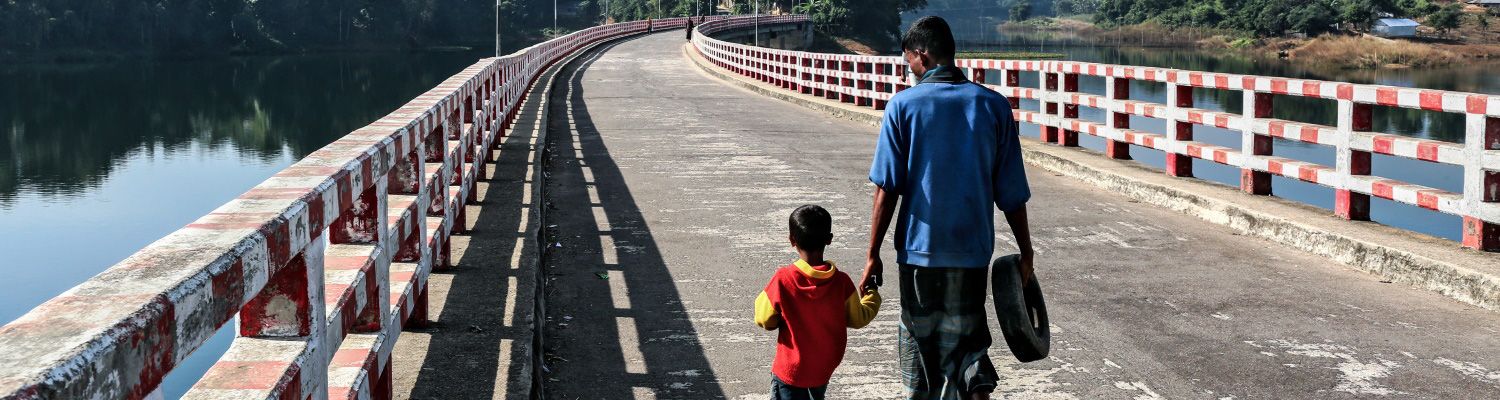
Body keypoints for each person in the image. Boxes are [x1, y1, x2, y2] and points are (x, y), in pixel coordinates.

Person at [860, 16, 1036, 400]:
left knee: (920, 343)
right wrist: (1026, 251)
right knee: (968, 340)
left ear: (921, 54)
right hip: (971, 253)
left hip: (918, 252)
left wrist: (872, 255)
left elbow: (886, 190)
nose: (910, 71)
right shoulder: (993, 105)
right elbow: (1011, 193)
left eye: (909, 61)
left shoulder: (902, 106)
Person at [755, 204, 882, 400]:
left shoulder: (783, 279)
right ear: (829, 239)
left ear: (791, 240)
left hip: (790, 372)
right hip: (822, 371)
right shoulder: (842, 283)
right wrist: (871, 294)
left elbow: (764, 319)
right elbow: (859, 319)